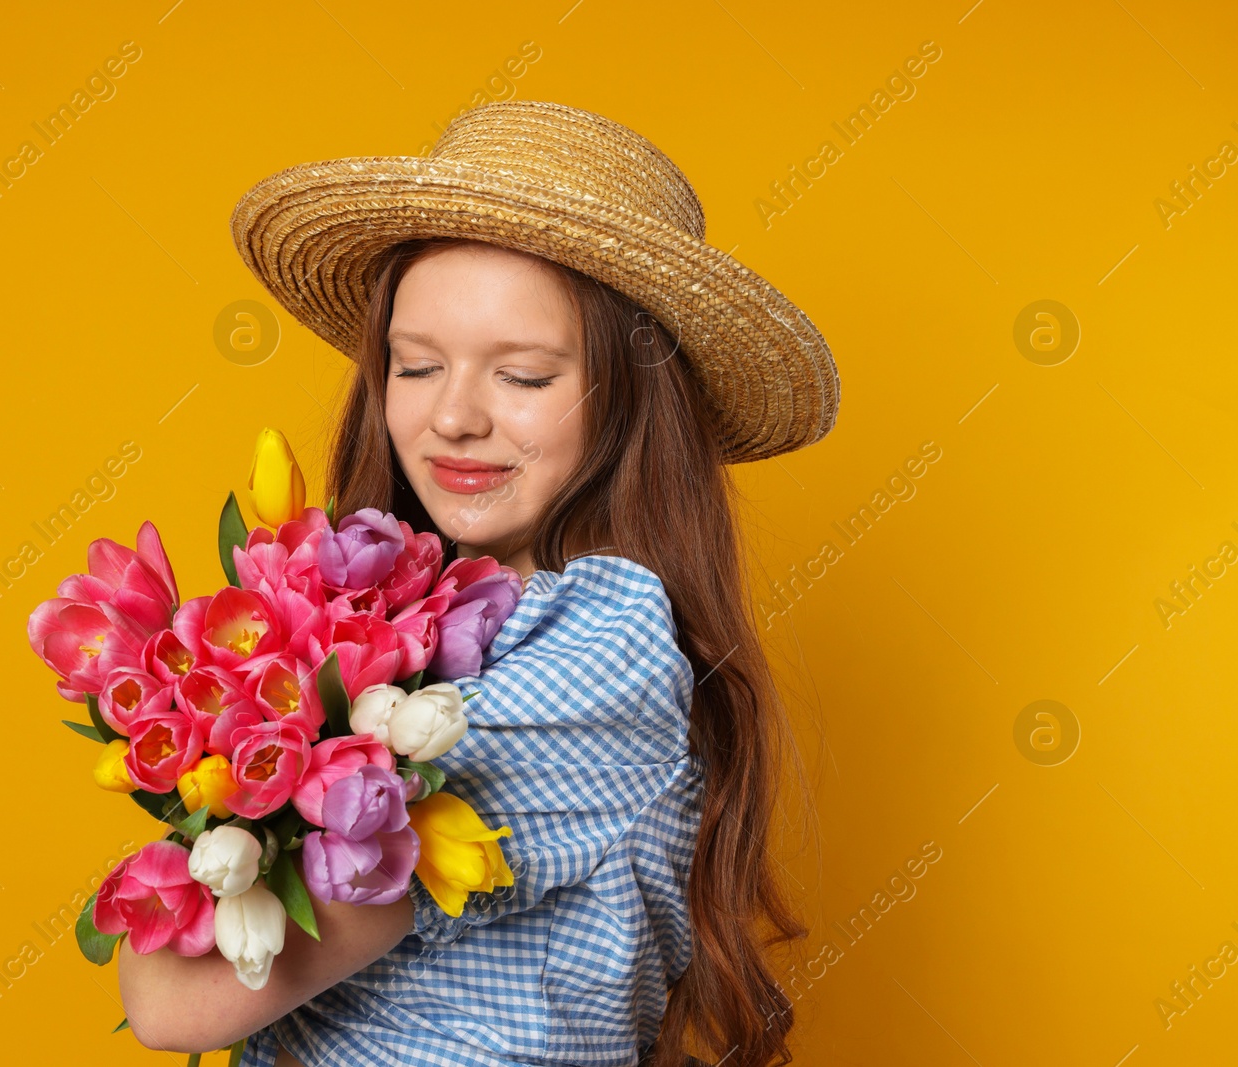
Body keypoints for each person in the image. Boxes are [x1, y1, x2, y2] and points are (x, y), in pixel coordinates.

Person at [117, 100, 841, 1066]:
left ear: (631, 400)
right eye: (416, 365)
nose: (453, 416)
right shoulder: (391, 617)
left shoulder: (603, 655)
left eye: (526, 378)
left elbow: (177, 995)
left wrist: (235, 749)